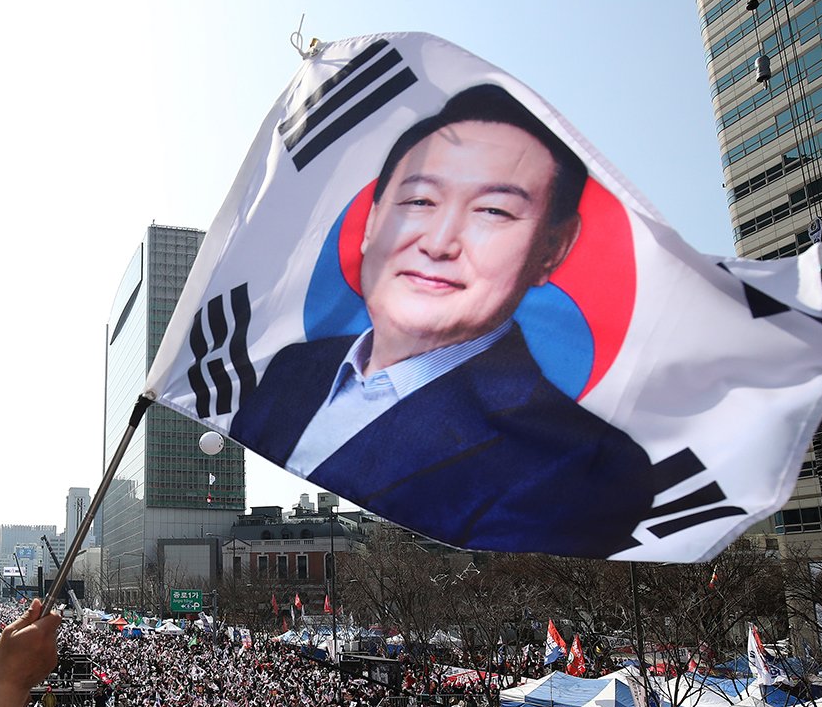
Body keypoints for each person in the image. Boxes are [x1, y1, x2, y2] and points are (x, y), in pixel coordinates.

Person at [230, 84, 654, 558]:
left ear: (553, 248)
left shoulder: (581, 463)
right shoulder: (291, 370)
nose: (438, 244)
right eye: (418, 201)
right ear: (370, 222)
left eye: (493, 211)